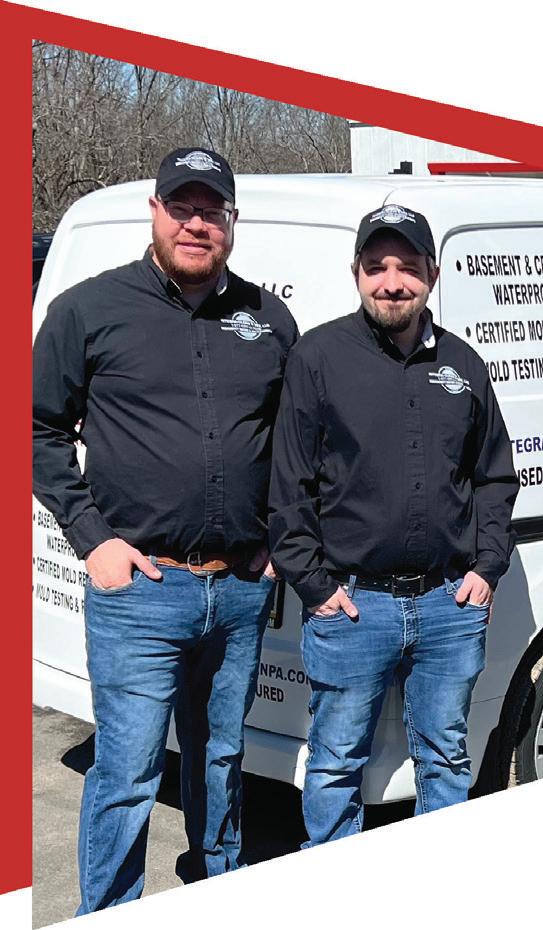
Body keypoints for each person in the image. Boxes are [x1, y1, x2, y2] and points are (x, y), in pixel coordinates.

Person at [31, 147, 298, 913]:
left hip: (238, 590)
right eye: (181, 207)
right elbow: (36, 429)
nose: (195, 223)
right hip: (140, 592)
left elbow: (296, 441)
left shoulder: (268, 319)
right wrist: (94, 540)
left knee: (220, 759)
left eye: (211, 210)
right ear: (155, 211)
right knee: (128, 771)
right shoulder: (89, 310)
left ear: (231, 222)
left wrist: (281, 536)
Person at [269, 203, 518, 846]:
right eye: (376, 266)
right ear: (356, 273)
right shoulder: (318, 357)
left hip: (448, 606)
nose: (392, 282)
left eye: (407, 266)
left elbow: (494, 476)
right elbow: (289, 487)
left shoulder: (464, 365)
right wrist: (315, 586)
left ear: (432, 274)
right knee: (334, 765)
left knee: (447, 760)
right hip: (354, 608)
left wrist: (487, 567)